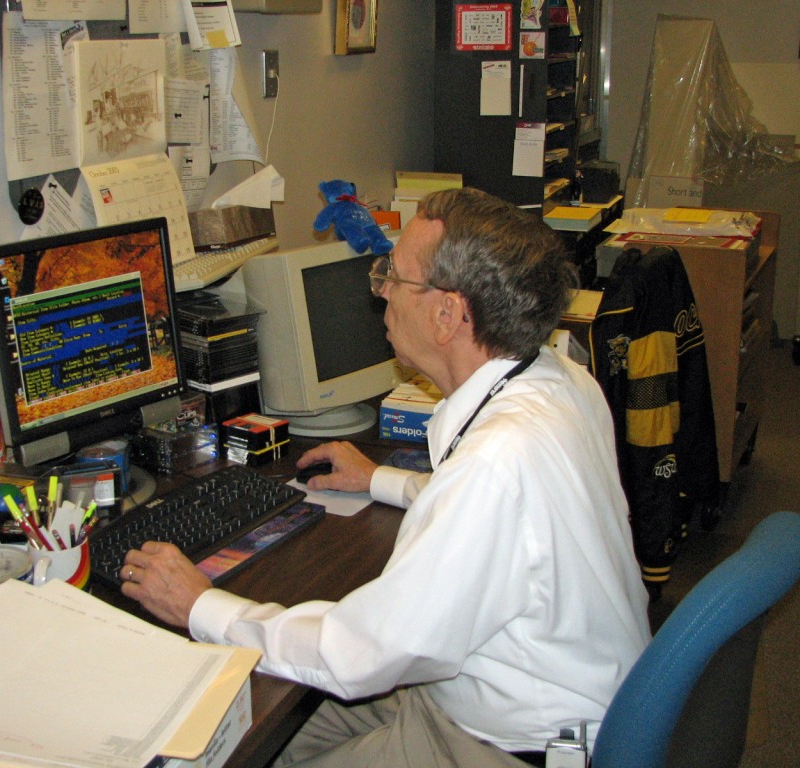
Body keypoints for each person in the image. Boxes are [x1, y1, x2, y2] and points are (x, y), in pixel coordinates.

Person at [120, 187, 651, 768]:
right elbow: (510, 523)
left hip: (511, 743)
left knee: (246, 737)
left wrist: (200, 605)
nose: (381, 292)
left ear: (447, 315)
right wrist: (380, 479)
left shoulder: (497, 462)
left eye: (393, 275)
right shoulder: (559, 377)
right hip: (501, 682)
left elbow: (361, 653)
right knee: (251, 728)